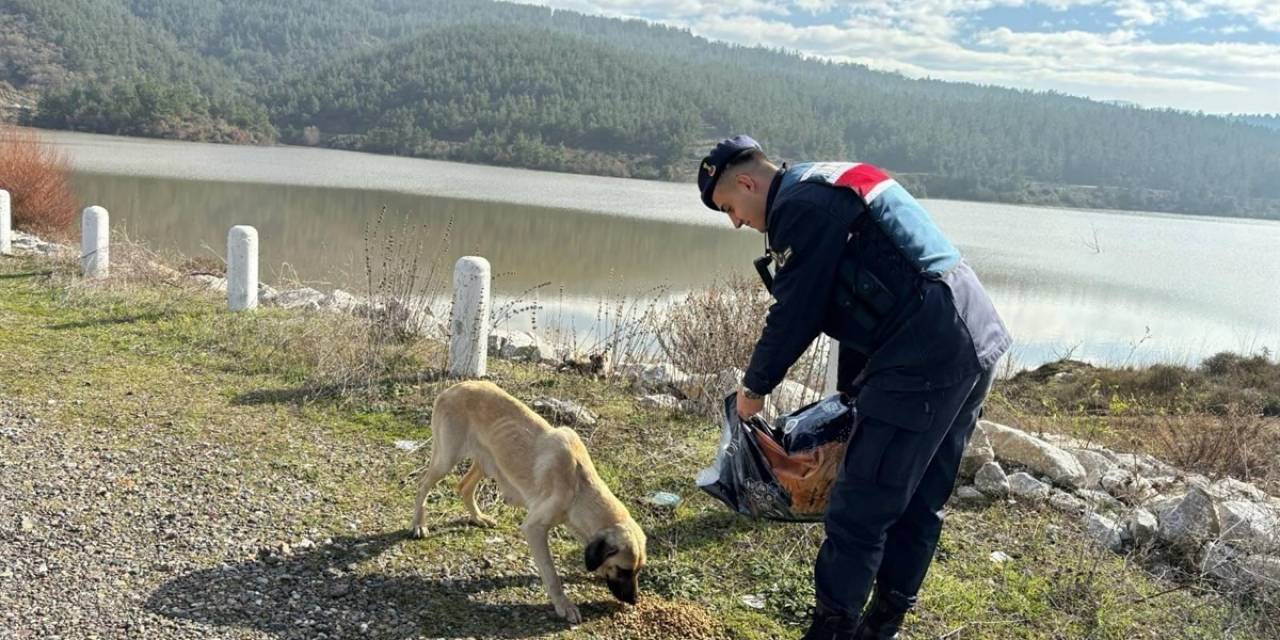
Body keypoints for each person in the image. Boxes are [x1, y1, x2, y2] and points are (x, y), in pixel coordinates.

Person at [697, 135, 1012, 639]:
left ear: (747, 181)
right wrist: (854, 394)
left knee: (860, 506)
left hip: (923, 352)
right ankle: (881, 625)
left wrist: (753, 390)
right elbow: (872, 283)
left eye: (729, 207)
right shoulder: (824, 180)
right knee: (918, 499)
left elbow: (796, 312)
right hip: (970, 334)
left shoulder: (800, 207)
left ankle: (832, 629)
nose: (736, 222)